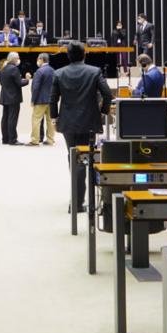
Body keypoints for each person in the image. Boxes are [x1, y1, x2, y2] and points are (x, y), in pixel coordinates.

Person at [50, 41, 112, 211]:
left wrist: (54, 119)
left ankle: (77, 201)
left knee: (74, 157)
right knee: (87, 159)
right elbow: (108, 94)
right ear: (84, 54)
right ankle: (85, 200)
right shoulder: (94, 71)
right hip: (89, 121)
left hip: (68, 122)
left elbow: (52, 99)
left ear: (68, 55)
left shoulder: (58, 73)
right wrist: (103, 112)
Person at [0, 52, 30, 144]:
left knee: (5, 118)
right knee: (12, 118)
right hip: (13, 98)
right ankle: (12, 139)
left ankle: (5, 139)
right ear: (14, 59)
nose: (18, 60)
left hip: (4, 97)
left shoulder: (3, 68)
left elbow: (1, 83)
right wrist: (27, 79)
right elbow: (19, 83)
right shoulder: (14, 69)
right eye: (18, 58)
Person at [29, 52, 56, 146]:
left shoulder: (39, 71)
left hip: (40, 100)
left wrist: (33, 100)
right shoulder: (53, 70)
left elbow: (35, 87)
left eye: (38, 59)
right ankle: (50, 140)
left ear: (41, 59)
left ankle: (35, 140)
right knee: (50, 120)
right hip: (51, 100)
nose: (37, 61)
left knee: (36, 120)